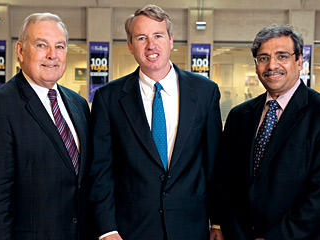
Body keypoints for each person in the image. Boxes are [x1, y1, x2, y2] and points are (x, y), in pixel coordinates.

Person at [89, 4, 222, 240]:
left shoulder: (205, 92)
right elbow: (101, 170)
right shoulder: (108, 98)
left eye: (158, 36)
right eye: (141, 38)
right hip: (130, 230)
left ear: (171, 40)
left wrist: (219, 222)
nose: (151, 45)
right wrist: (107, 229)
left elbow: (214, 164)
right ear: (130, 46)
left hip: (191, 227)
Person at [211, 24, 320, 240]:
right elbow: (225, 179)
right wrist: (226, 226)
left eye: (282, 56)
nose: (272, 65)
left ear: (299, 61)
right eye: (263, 58)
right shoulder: (239, 116)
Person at [0, 13, 92, 240]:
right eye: (42, 45)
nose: (52, 55)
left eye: (60, 46)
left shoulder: (79, 104)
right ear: (21, 51)